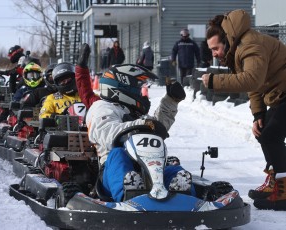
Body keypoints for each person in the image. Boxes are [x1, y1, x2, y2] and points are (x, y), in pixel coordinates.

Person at [75, 43, 194, 202]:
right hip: (111, 175)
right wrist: (142, 125)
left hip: (147, 168)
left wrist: (171, 101)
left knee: (171, 165)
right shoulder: (102, 107)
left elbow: (157, 127)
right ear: (122, 88)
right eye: (138, 89)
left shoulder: (132, 113)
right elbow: (108, 134)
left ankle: (181, 193)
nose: (142, 94)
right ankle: (129, 192)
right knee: (118, 154)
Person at [201, 9, 286, 210]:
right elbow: (254, 86)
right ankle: (277, 179)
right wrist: (258, 115)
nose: (214, 54)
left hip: (283, 92)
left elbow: (252, 79)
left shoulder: (250, 44)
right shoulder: (237, 47)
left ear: (226, 40)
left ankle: (284, 191)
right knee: (263, 131)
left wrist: (214, 80)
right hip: (279, 93)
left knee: (270, 137)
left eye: (215, 49)